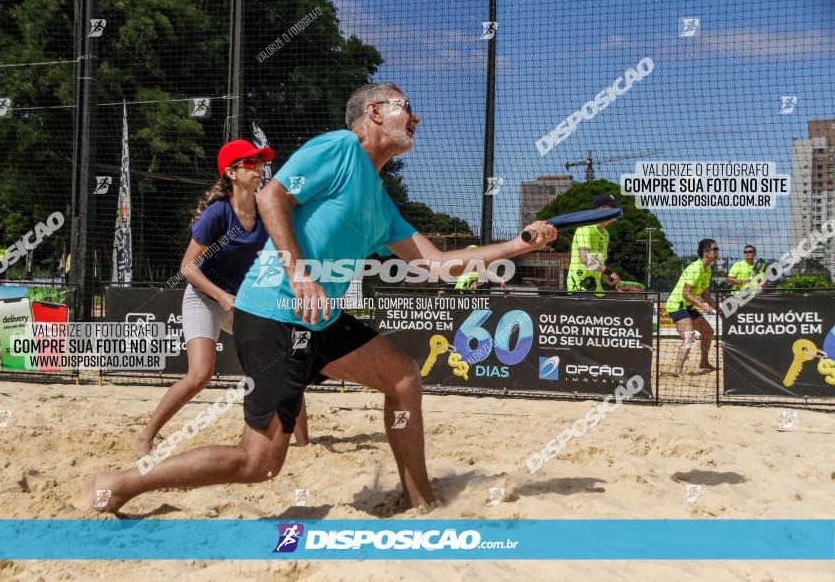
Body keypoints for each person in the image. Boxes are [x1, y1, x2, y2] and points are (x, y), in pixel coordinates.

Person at [85, 82, 556, 512]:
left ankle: (420, 500)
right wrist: (299, 273)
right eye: (406, 108)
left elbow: (435, 263)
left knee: (403, 377)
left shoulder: (380, 197)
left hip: (318, 319)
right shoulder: (339, 147)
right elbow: (272, 197)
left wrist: (519, 245)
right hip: (274, 313)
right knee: (259, 463)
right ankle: (120, 483)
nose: (417, 119)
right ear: (373, 112)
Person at [132, 139, 309, 459]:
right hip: (206, 297)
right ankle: (145, 437)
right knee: (200, 375)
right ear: (231, 172)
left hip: (245, 301)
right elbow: (187, 267)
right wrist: (221, 295)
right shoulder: (218, 214)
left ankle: (305, 446)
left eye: (261, 163)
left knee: (283, 365)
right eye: (251, 164)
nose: (259, 169)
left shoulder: (267, 209)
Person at [664, 238, 720, 376]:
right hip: (676, 304)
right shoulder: (695, 268)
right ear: (706, 252)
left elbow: (705, 294)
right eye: (715, 249)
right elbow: (685, 293)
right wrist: (703, 306)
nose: (718, 252)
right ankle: (677, 371)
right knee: (689, 337)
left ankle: (704, 362)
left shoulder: (707, 270)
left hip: (687, 305)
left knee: (708, 332)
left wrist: (718, 308)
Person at [566, 193, 621, 295]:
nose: (615, 210)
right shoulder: (585, 228)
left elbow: (597, 265)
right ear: (601, 208)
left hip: (596, 288)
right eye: (612, 207)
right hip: (579, 286)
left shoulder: (605, 234)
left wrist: (611, 280)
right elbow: (585, 259)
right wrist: (609, 272)